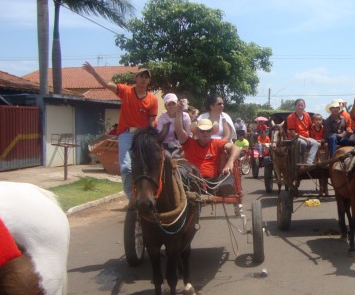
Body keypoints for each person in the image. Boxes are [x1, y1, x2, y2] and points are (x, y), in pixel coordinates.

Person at [82, 62, 158, 200]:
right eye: (141, 76)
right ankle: (131, 198)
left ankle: (151, 193)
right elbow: (107, 84)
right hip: (126, 134)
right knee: (126, 168)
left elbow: (151, 121)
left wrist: (152, 137)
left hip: (142, 135)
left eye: (146, 77)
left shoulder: (152, 99)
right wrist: (94, 73)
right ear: (136, 78)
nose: (143, 79)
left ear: (149, 81)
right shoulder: (126, 91)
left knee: (150, 165)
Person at [174, 99, 241, 198]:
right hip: (192, 181)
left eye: (208, 131)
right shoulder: (189, 143)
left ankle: (226, 189)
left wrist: (229, 162)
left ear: (211, 132)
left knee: (227, 175)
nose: (205, 133)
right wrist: (179, 112)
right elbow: (179, 130)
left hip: (213, 182)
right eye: (202, 131)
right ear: (197, 132)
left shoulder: (216, 143)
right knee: (179, 172)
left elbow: (236, 148)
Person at [287, 98, 320, 164]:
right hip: (295, 138)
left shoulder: (307, 115)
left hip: (306, 137)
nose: (300, 107)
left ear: (304, 106)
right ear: (295, 106)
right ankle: (300, 162)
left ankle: (309, 162)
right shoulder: (291, 117)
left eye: (302, 105)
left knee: (316, 143)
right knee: (303, 143)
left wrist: (319, 127)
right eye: (298, 105)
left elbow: (311, 127)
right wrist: (305, 139)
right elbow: (293, 133)